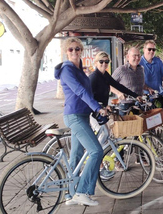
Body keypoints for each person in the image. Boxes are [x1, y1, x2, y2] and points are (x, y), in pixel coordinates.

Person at [54, 37, 108, 206]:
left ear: (81, 50)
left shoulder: (79, 67)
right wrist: (97, 108)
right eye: (71, 49)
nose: (74, 52)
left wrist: (99, 105)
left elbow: (88, 92)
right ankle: (82, 191)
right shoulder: (67, 69)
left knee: (76, 155)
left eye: (77, 49)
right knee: (96, 151)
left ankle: (70, 194)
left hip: (82, 115)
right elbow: (79, 91)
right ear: (66, 51)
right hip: (75, 117)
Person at [111, 47, 147, 113]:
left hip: (140, 104)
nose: (137, 58)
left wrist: (149, 89)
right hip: (126, 106)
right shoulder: (121, 69)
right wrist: (118, 93)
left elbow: (140, 84)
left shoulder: (141, 69)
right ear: (128, 57)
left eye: (139, 55)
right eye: (134, 55)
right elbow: (109, 84)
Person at [140, 40, 163, 106]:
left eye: (153, 50)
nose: (152, 51)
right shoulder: (139, 62)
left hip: (158, 95)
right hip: (144, 97)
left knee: (161, 114)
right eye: (149, 49)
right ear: (144, 49)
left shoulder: (159, 61)